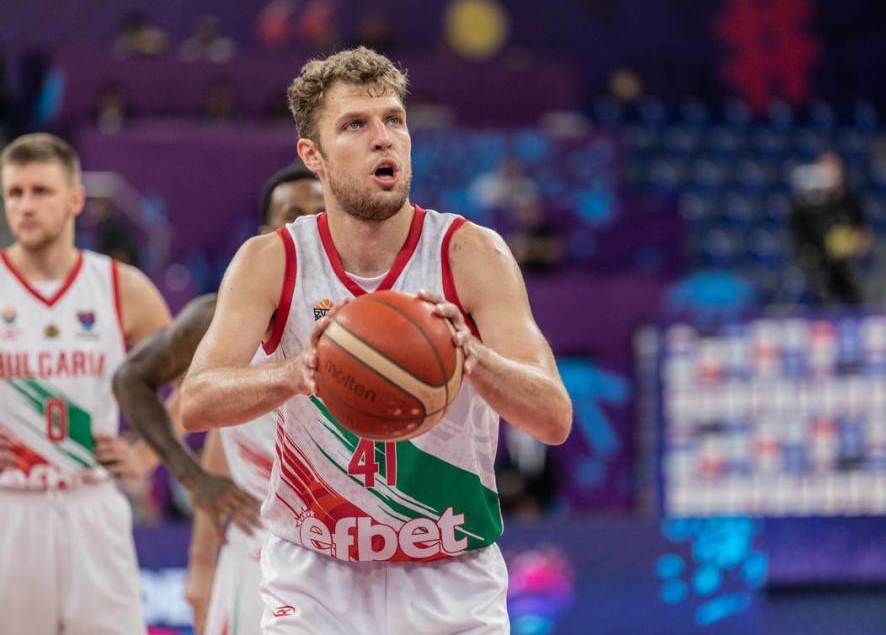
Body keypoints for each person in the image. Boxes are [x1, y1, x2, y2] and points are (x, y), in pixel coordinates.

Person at [179, 46, 573, 634]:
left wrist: (474, 356)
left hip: (450, 573)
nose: (383, 138)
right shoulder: (272, 260)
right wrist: (295, 373)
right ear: (312, 155)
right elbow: (196, 403)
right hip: (316, 578)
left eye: (394, 120)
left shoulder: (471, 254)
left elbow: (553, 418)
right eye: (355, 125)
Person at [112, 162, 326, 635]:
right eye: (294, 215)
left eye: (321, 212)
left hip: (355, 549)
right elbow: (217, 436)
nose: (309, 226)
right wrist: (201, 559)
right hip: (260, 551)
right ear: (270, 232)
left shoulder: (372, 317)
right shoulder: (227, 318)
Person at [0, 133, 172, 634]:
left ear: (76, 198)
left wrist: (147, 454)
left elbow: (196, 382)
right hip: (10, 505)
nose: (25, 206)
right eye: (14, 193)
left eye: (40, 191)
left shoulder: (121, 286)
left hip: (91, 501)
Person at [789, 151, 871, 305]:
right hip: (818, 266)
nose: (828, 175)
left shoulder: (851, 201)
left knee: (852, 300)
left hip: (846, 265)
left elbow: (863, 234)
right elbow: (800, 234)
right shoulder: (807, 205)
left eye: (832, 170)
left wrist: (853, 245)